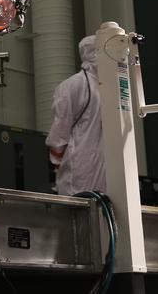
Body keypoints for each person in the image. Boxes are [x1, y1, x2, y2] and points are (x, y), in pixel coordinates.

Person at [46, 35, 106, 197]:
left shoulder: (74, 86)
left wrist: (57, 162)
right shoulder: (79, 85)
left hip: (82, 173)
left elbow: (58, 136)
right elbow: (60, 135)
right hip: (83, 175)